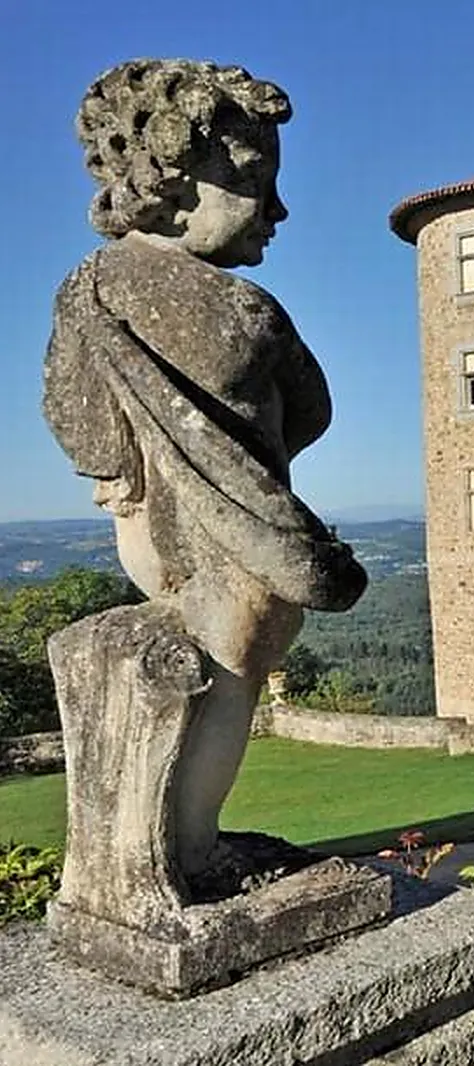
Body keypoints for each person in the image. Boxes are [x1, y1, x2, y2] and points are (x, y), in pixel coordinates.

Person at [43, 59, 366, 876]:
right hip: (236, 539)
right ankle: (188, 851)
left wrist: (122, 484)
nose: (278, 209)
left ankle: (166, 853)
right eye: (255, 180)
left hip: (146, 526)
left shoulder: (87, 291)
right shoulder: (242, 310)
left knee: (205, 674)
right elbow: (315, 403)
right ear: (173, 183)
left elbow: (75, 420)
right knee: (228, 674)